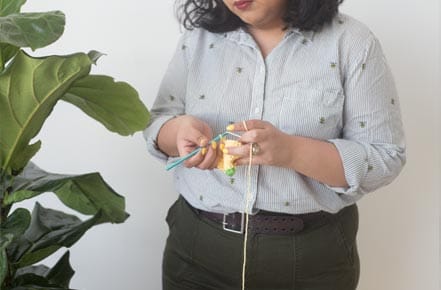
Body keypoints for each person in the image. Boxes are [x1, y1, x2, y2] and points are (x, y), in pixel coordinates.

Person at [144, 0, 406, 289]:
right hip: (197, 252)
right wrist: (177, 132)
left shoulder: (352, 42)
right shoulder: (198, 39)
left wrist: (292, 152)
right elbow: (158, 122)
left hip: (311, 260)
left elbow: (384, 157)